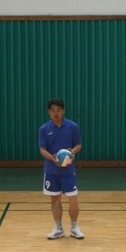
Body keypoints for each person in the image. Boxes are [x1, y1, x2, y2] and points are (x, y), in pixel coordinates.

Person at [38, 98, 83, 240]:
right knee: (55, 199)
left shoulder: (72, 126)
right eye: (53, 111)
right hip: (51, 171)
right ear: (48, 112)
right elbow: (42, 149)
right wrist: (53, 158)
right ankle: (59, 229)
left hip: (68, 171)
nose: (56, 113)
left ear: (63, 111)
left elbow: (78, 145)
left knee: (73, 199)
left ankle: (74, 228)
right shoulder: (44, 129)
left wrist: (72, 152)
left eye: (58, 110)